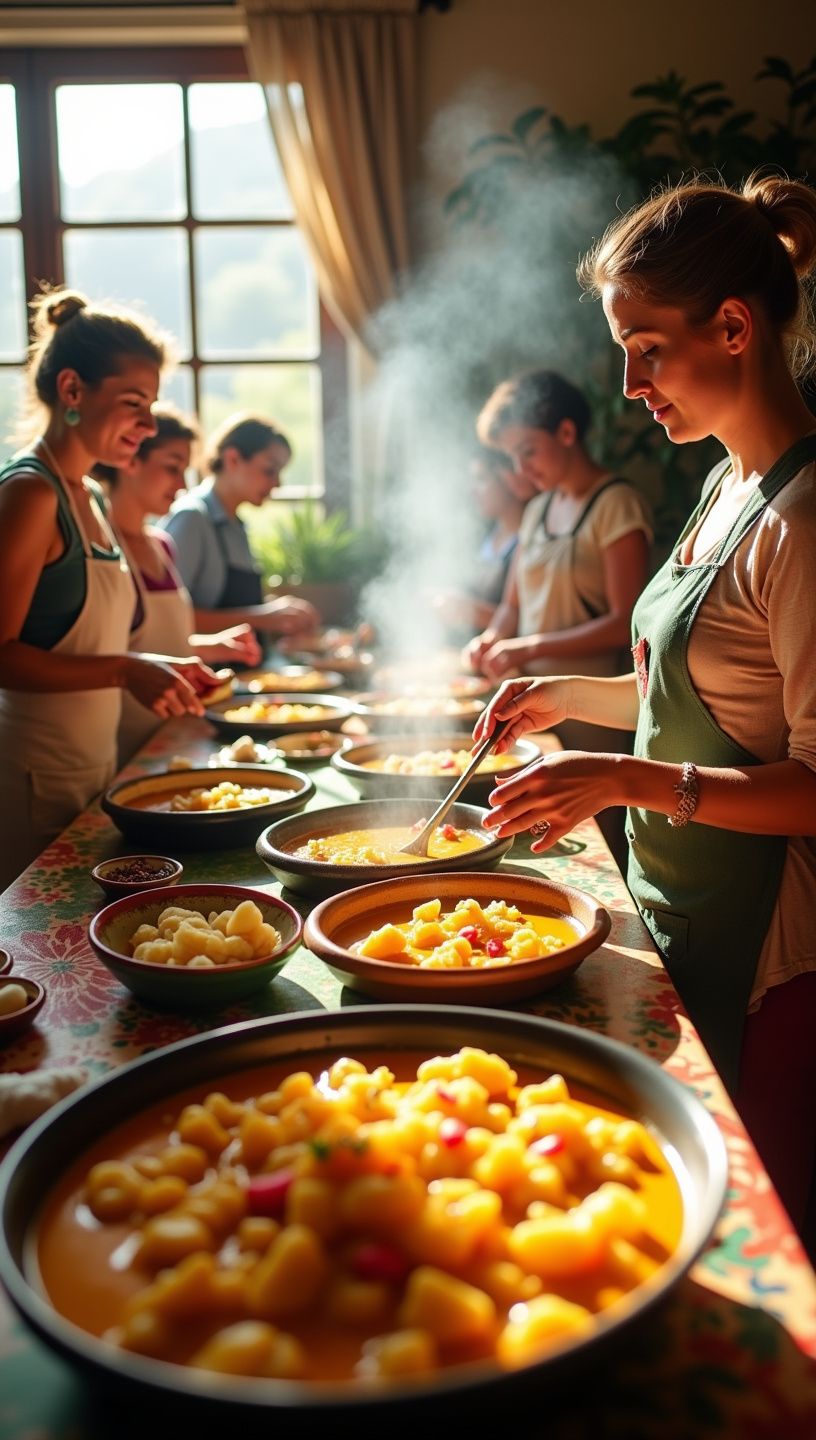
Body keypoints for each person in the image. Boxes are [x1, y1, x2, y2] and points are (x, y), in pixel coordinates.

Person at [474, 174, 816, 1242]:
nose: (627, 385)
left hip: (772, 950)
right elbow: (685, 695)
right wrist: (560, 697)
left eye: (647, 349)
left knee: (749, 1235)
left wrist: (623, 779)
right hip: (684, 902)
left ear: (732, 327)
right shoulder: (724, 486)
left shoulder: (804, 523)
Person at [0, 288, 222, 891]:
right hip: (32, 777)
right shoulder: (31, 492)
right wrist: (127, 670)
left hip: (92, 769)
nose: (147, 425)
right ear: (72, 390)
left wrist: (164, 666)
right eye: (133, 403)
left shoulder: (91, 497)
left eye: (151, 404)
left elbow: (94, 641)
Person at [463, 370, 652, 754]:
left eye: (528, 451)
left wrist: (527, 648)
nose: (520, 470)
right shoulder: (536, 510)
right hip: (530, 709)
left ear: (566, 433)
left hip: (594, 717)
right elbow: (512, 606)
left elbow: (624, 624)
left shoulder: (616, 504)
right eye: (512, 457)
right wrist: (492, 638)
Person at [102, 405, 263, 765]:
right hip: (120, 741)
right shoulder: (100, 549)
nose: (181, 485)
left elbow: (154, 645)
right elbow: (104, 655)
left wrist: (213, 646)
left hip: (171, 731)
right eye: (172, 467)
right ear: (130, 459)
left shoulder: (162, 546)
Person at [159, 413, 320, 641]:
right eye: (270, 470)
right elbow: (169, 619)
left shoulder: (236, 526)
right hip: (208, 674)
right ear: (232, 459)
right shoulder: (192, 518)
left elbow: (240, 607)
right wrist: (263, 618)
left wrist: (279, 611)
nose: (278, 483)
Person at [430, 443, 533, 639]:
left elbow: (535, 624)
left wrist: (470, 611)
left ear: (509, 480)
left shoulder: (533, 539)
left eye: (481, 479)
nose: (473, 491)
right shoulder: (487, 536)